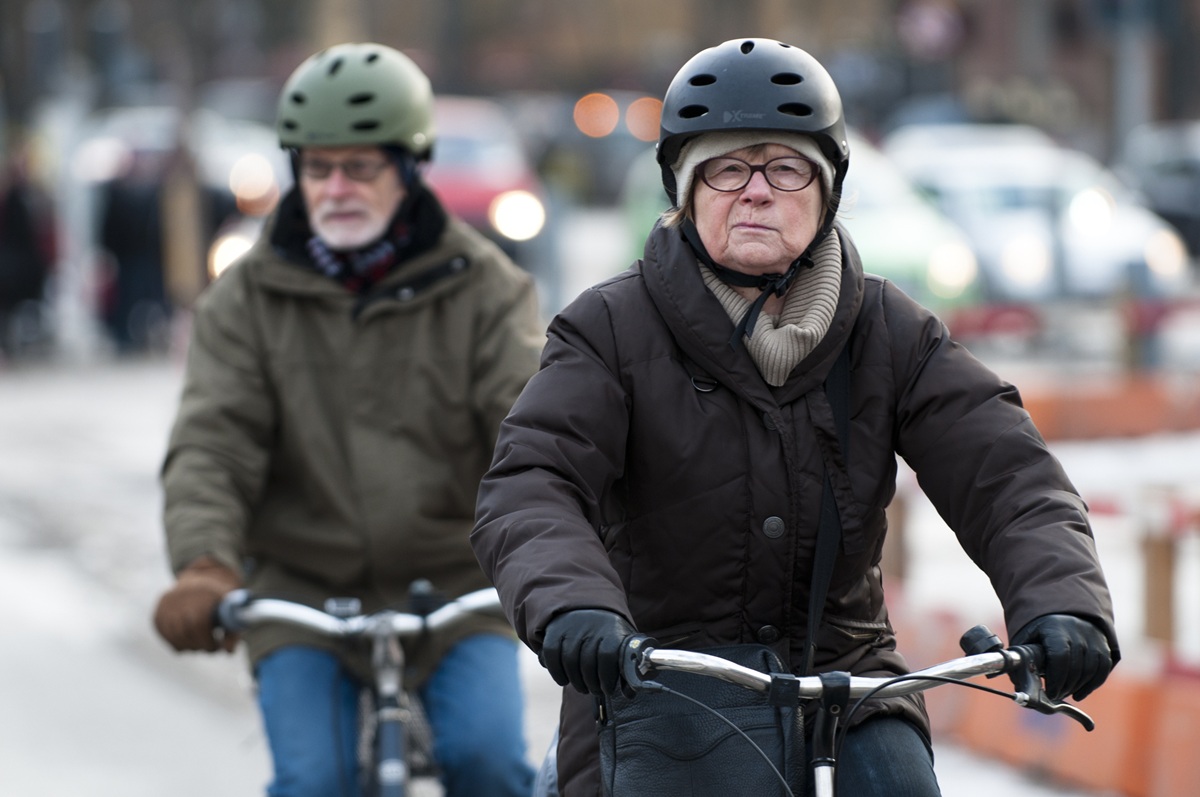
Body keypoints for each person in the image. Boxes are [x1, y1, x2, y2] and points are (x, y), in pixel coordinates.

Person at [471, 37, 1118, 797]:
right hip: (657, 682)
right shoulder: (610, 329)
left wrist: (1062, 601)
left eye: (785, 167)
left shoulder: (889, 329)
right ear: (685, 191)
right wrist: (577, 608)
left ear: (826, 189)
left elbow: (1007, 472)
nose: (756, 190)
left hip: (847, 686)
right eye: (726, 167)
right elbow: (532, 480)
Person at [152, 42, 543, 797]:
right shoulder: (245, 300)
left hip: (456, 588)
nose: (335, 188)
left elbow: (528, 436)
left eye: (360, 167)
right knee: (313, 780)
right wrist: (205, 563)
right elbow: (213, 442)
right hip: (300, 592)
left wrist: (566, 548)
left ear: (408, 166)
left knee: (490, 763)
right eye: (316, 166)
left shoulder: (488, 289)